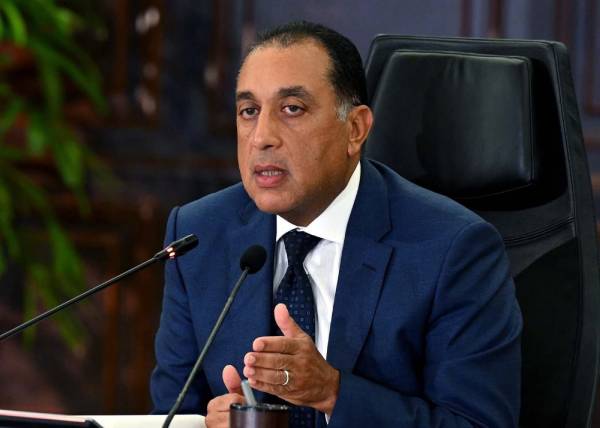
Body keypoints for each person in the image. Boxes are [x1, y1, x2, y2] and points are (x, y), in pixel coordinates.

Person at [151, 21, 522, 428]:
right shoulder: (199, 235)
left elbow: (478, 424)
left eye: (292, 109)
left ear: (355, 129)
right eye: (249, 111)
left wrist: (332, 393)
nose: (261, 137)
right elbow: (171, 414)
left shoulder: (453, 250)